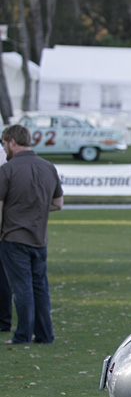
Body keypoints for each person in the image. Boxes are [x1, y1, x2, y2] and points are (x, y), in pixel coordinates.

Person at [0, 124, 64, 344]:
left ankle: (23, 335)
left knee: (22, 289)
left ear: (12, 142)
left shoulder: (7, 170)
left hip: (14, 237)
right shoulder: (48, 167)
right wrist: (34, 207)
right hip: (39, 238)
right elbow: (58, 203)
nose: (4, 149)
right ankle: (45, 334)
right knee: (40, 288)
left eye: (4, 144)